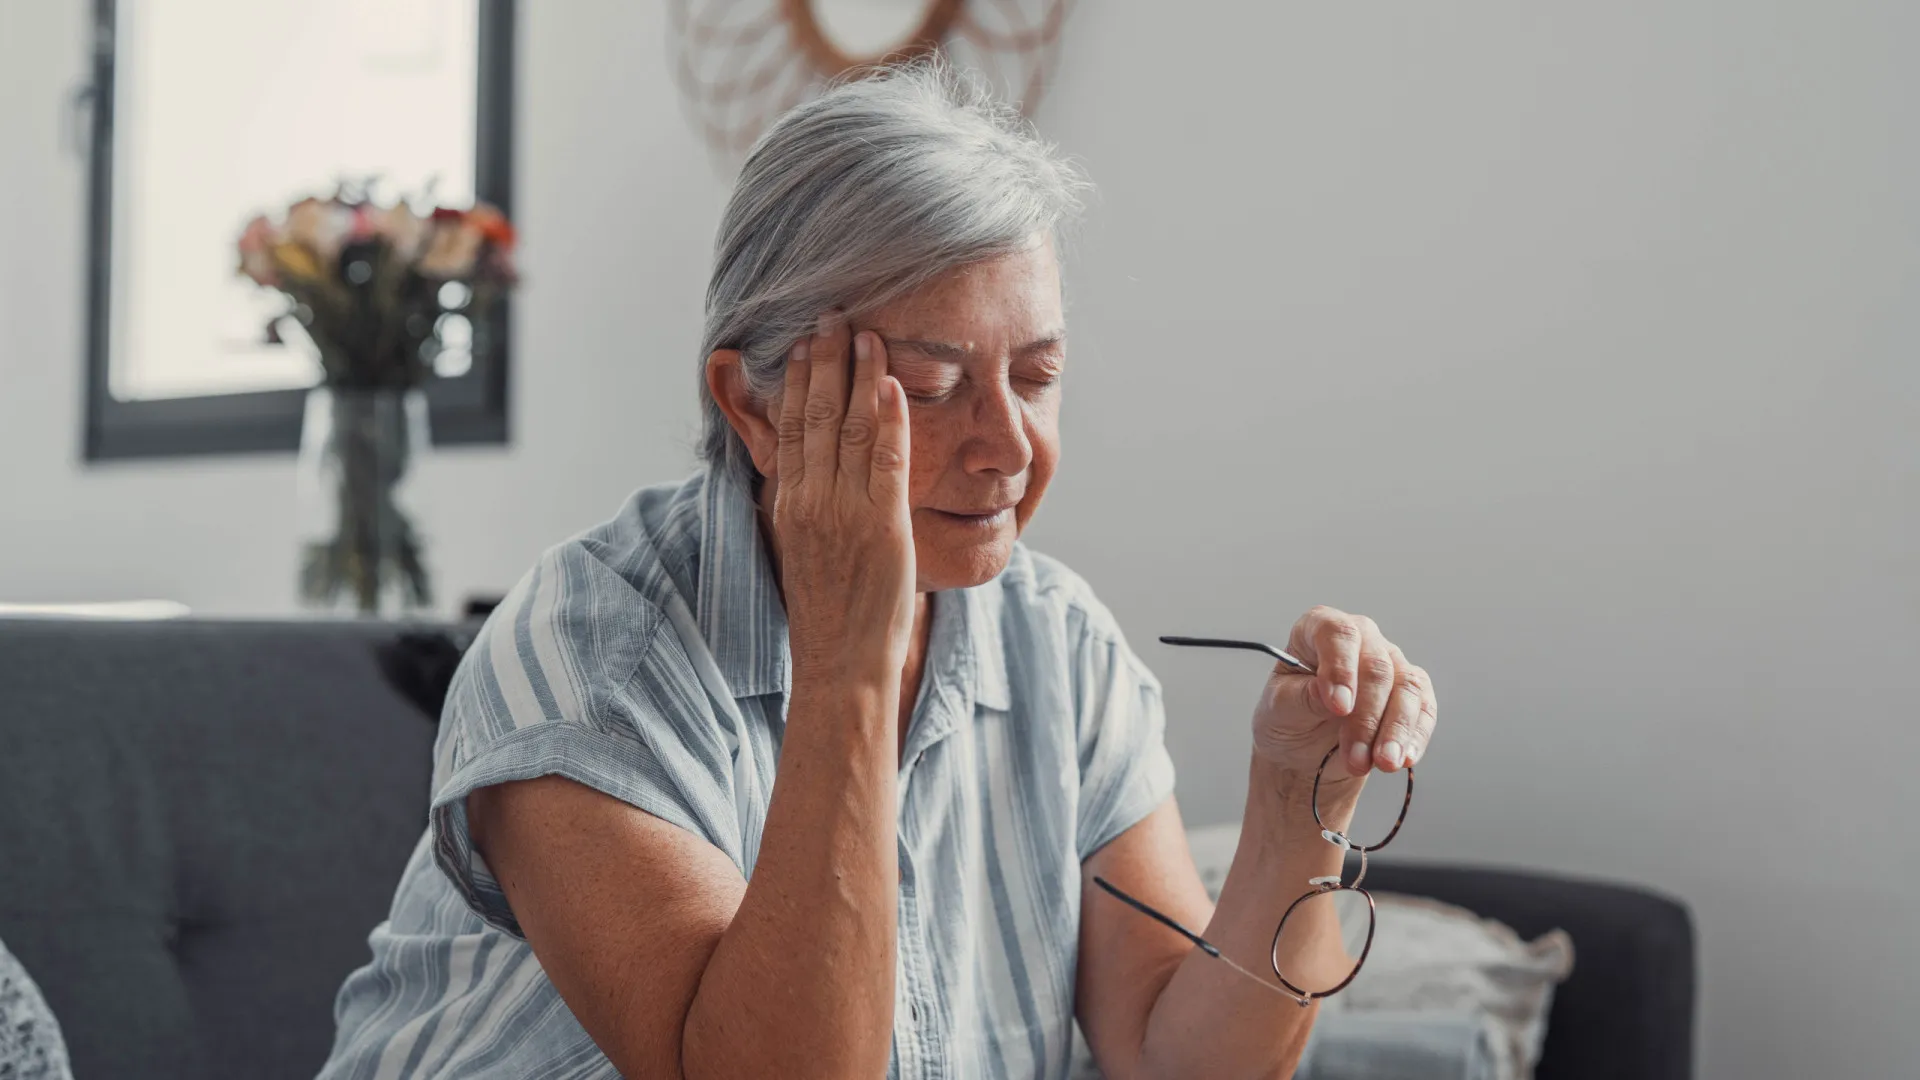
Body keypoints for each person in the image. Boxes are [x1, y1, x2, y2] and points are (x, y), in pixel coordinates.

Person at [319, 59, 1439, 1080]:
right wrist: (848, 654)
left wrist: (1303, 805)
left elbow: (1178, 1058)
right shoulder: (587, 660)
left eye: (1038, 375)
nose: (1010, 446)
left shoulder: (1056, 642)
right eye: (936, 384)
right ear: (755, 407)